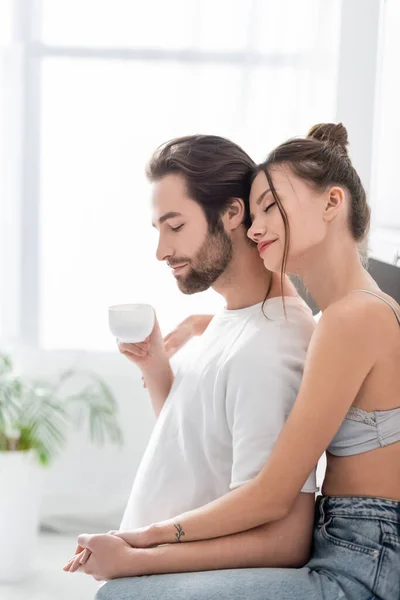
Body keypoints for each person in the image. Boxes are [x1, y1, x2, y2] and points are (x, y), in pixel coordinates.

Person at [77, 123, 400, 600]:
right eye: (255, 211)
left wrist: (146, 542)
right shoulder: (343, 315)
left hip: (360, 561)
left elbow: (273, 495)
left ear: (332, 203)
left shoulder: (348, 319)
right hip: (355, 544)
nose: (255, 227)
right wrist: (199, 336)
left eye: (271, 207)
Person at [64, 136, 319, 578]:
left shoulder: (270, 348)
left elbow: (285, 539)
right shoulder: (234, 318)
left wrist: (141, 558)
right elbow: (198, 447)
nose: (162, 251)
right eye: (159, 230)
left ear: (233, 213)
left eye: (175, 226)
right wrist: (156, 366)